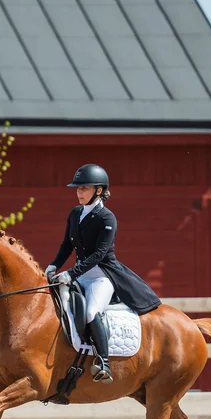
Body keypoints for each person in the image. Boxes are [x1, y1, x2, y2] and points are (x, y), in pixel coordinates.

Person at [46, 164, 161, 384]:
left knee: (91, 312)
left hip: (102, 276)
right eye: (77, 189)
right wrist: (54, 265)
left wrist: (70, 274)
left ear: (99, 190)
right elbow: (66, 245)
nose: (79, 193)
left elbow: (99, 254)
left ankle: (104, 362)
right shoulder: (75, 213)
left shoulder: (107, 218)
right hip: (79, 275)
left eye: (84, 189)